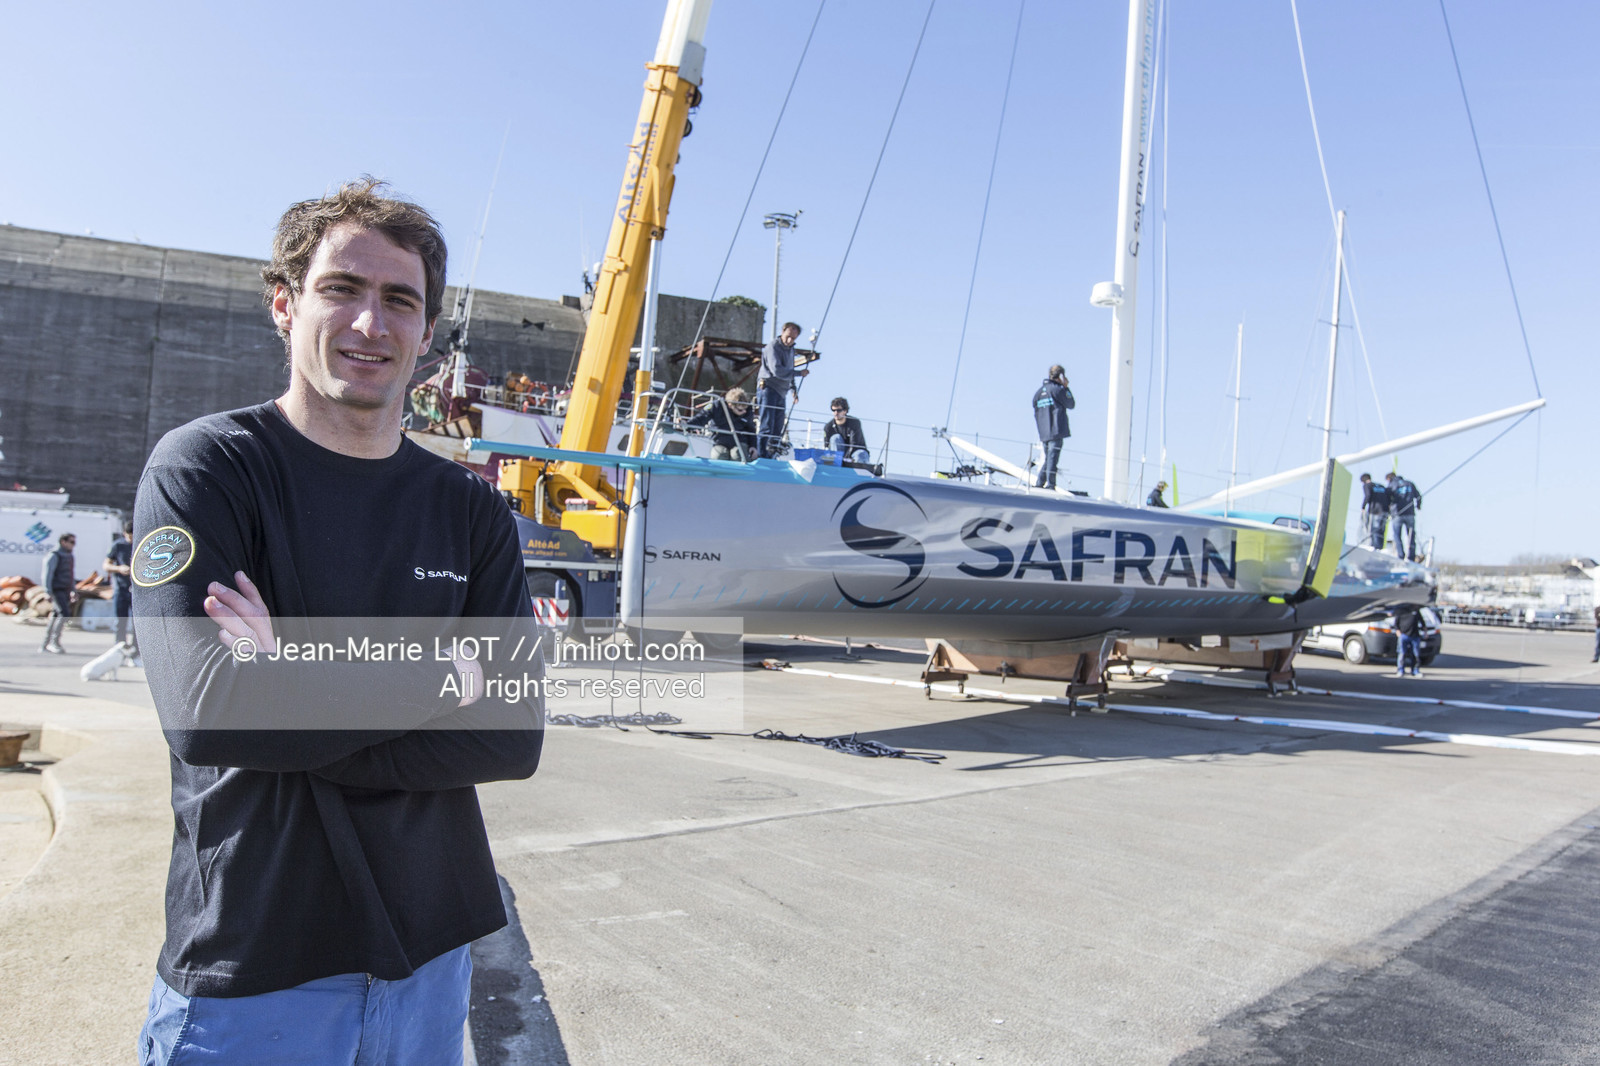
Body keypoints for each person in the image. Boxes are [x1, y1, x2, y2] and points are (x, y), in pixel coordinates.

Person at [133, 180, 543, 1065]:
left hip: (430, 959)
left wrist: (286, 675)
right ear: (285, 305)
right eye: (341, 289)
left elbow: (511, 736)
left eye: (400, 300)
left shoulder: (470, 511)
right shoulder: (208, 469)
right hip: (255, 962)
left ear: (427, 334)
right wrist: (440, 680)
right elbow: (206, 713)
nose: (370, 323)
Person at [757, 321, 807, 458]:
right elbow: (777, 370)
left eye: (793, 338)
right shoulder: (773, 346)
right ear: (782, 331)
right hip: (768, 388)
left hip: (781, 392)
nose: (790, 340)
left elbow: (789, 369)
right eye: (788, 336)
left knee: (778, 427)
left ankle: (772, 455)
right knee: (767, 425)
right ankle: (762, 456)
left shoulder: (791, 350)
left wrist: (793, 390)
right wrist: (799, 373)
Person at [1032, 364, 1075, 490]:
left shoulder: (1038, 393)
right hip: (1055, 430)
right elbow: (1071, 404)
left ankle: (1040, 482)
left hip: (1043, 432)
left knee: (1049, 459)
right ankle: (1050, 484)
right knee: (1052, 458)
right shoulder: (1058, 390)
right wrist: (1066, 388)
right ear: (1061, 376)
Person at [686, 386, 758, 461]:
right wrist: (687, 425)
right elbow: (701, 417)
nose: (744, 412)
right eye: (740, 410)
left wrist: (753, 446)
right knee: (719, 456)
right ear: (730, 405)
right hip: (720, 441)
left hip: (739, 441)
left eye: (745, 409)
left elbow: (751, 430)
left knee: (737, 455)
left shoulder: (748, 412)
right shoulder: (716, 406)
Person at [103, 519, 138, 662]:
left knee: (137, 623)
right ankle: (119, 650)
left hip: (136, 591)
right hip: (121, 588)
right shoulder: (118, 545)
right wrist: (119, 568)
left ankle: (135, 652)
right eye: (129, 536)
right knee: (120, 621)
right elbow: (106, 565)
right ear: (124, 534)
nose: (131, 539)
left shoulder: (139, 543)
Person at [39, 531, 76, 654]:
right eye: (71, 542)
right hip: (57, 590)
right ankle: (54, 642)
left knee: (56, 615)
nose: (73, 545)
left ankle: (45, 644)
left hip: (65, 590)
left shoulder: (69, 556)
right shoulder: (54, 555)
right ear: (63, 542)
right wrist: (47, 591)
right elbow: (47, 574)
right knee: (64, 614)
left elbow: (71, 575)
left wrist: (73, 590)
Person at [1386, 472, 1422, 561]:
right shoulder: (1410, 483)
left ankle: (1401, 555)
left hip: (1397, 514)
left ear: (1389, 479)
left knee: (1397, 535)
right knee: (1411, 535)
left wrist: (1388, 510)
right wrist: (1418, 506)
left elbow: (1387, 498)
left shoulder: (1392, 485)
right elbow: (1418, 496)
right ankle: (1411, 556)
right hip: (1410, 513)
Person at [823, 397, 869, 462]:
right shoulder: (828, 427)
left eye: (839, 410)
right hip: (838, 456)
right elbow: (826, 446)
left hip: (855, 452)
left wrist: (846, 460)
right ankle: (837, 463)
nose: (836, 413)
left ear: (845, 411)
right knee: (835, 438)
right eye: (833, 410)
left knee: (860, 455)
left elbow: (854, 445)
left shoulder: (854, 423)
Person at [1359, 473, 1390, 550]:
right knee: (1381, 531)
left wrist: (1363, 507)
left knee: (1374, 530)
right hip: (1385, 510)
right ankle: (1380, 547)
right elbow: (1388, 497)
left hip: (1375, 511)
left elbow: (1367, 495)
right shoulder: (1381, 486)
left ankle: (1375, 547)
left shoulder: (1367, 485)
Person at [1394, 605, 1424, 678]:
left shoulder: (1415, 610)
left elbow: (1422, 621)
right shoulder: (1401, 610)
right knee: (1402, 653)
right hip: (1403, 635)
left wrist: (1425, 631)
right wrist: (1397, 631)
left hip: (1415, 636)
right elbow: (1396, 623)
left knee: (1416, 654)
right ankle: (1400, 670)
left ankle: (1415, 671)